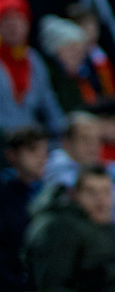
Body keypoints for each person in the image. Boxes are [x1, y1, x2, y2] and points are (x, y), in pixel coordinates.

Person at [23, 165, 115, 292]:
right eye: (91, 192)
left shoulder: (106, 226)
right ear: (75, 195)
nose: (100, 199)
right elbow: (54, 283)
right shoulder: (67, 227)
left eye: (106, 192)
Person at [0, 0, 65, 135]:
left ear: (27, 24)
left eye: (19, 19)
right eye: (6, 20)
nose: (13, 26)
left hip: (31, 142)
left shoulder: (34, 60)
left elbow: (49, 104)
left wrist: (64, 133)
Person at [0, 124, 48, 290]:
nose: (41, 158)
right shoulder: (5, 196)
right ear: (11, 155)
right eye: (32, 150)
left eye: (44, 152)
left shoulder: (49, 193)